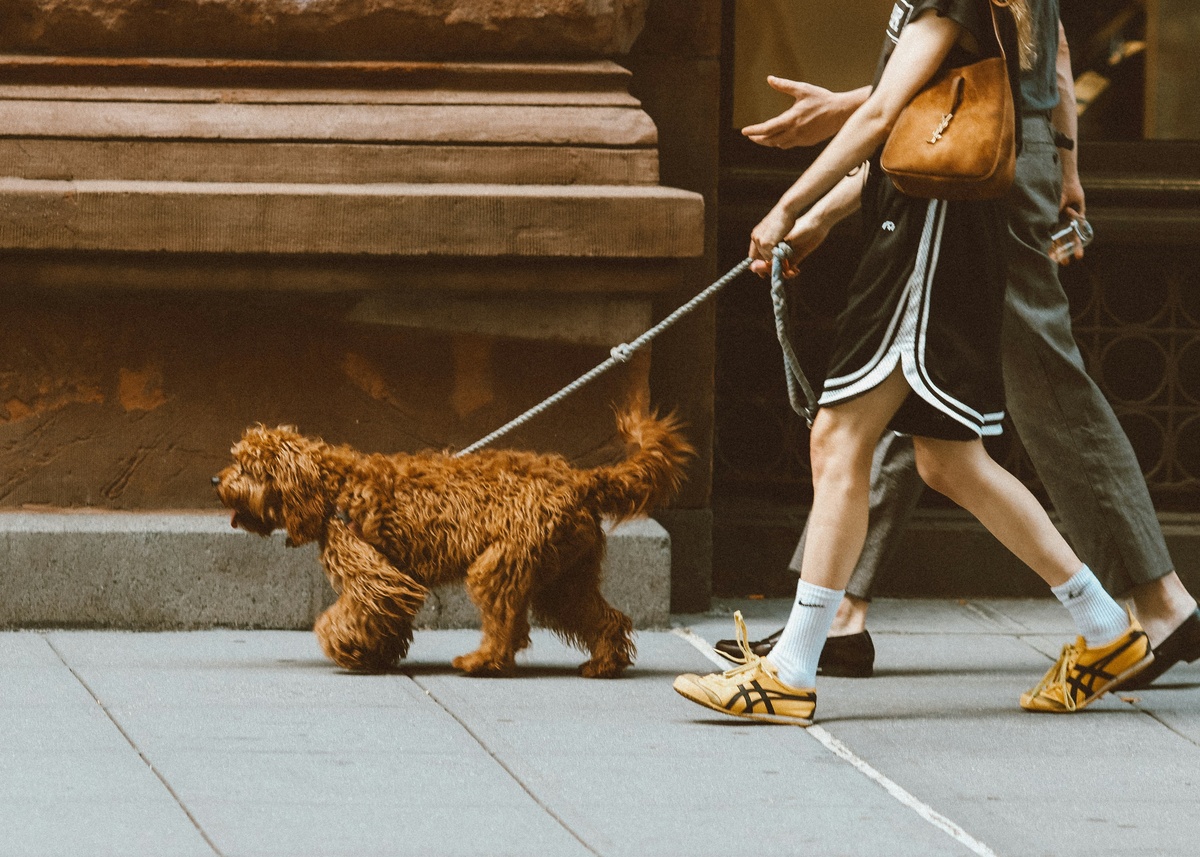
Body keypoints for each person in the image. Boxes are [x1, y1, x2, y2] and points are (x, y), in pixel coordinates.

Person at [673, 0, 1156, 726]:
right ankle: (1105, 627)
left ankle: (791, 668)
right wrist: (819, 221)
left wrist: (786, 206)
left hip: (925, 249)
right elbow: (921, 125)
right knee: (948, 460)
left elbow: (881, 119)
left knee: (839, 436)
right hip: (933, 237)